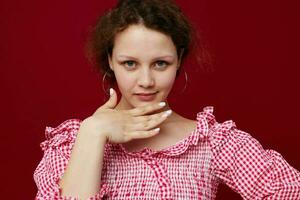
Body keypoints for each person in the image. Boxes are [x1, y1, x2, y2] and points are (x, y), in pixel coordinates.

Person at [33, 0, 300, 199]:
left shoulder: (211, 143)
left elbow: (288, 191)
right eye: (130, 64)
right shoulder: (71, 144)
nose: (146, 80)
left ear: (179, 61)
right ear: (110, 61)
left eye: (160, 63)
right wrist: (93, 132)